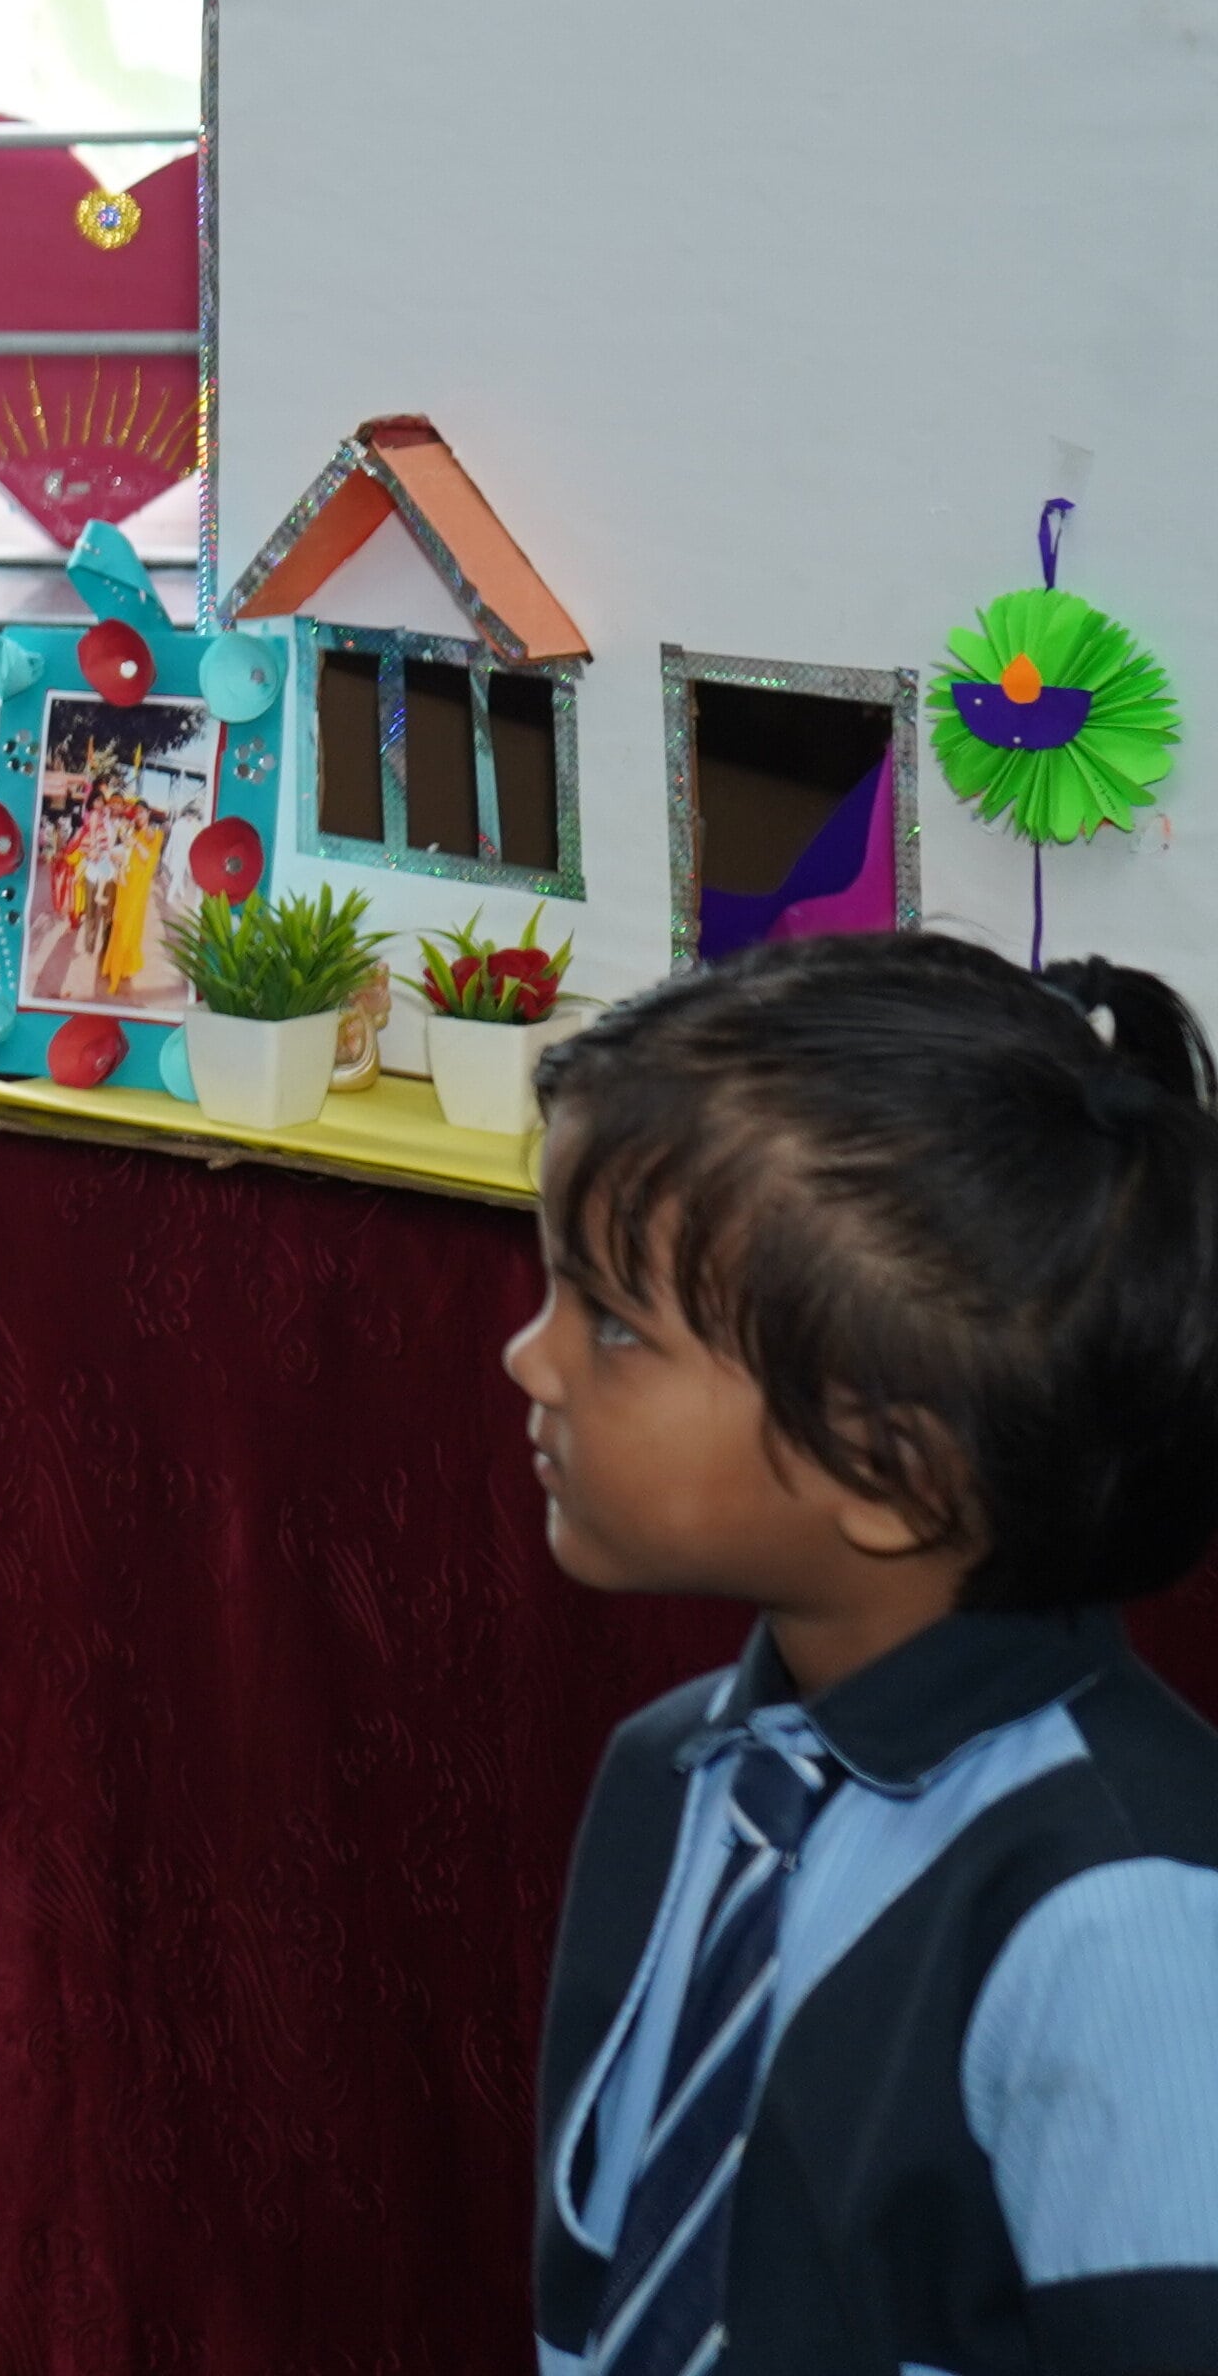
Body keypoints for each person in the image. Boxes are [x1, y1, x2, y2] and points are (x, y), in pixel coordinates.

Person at [507, 932, 1218, 2376]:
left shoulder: (1127, 1905)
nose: (533, 1359)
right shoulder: (674, 1775)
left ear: (894, 1472)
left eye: (616, 1327)